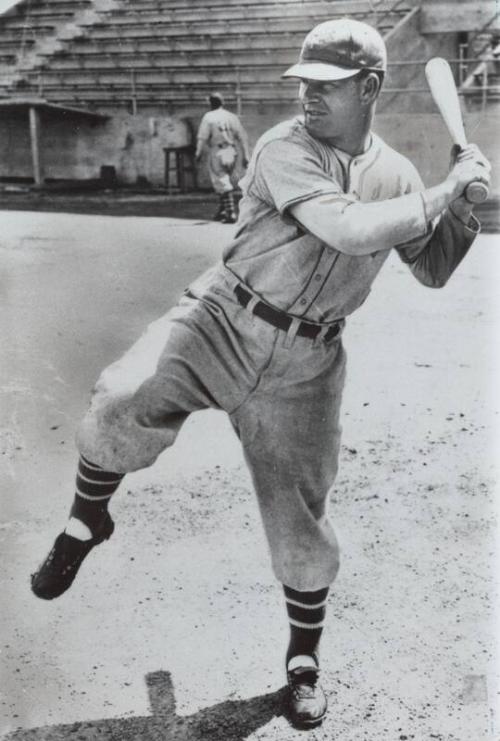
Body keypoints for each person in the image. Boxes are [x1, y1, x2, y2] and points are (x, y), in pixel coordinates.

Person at [31, 18, 491, 730]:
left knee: (303, 525)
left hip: (307, 366)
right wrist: (442, 189)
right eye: (303, 83)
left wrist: (461, 210)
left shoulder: (398, 175)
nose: (307, 97)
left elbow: (430, 268)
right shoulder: (283, 147)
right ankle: (86, 522)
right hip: (220, 321)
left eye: (326, 87)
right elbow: (346, 228)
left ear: (369, 89)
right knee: (121, 400)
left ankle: (302, 663)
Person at [195, 92, 250, 223]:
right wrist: (246, 155)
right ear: (222, 103)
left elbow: (202, 138)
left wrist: (198, 153)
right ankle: (223, 210)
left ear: (211, 103)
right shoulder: (231, 116)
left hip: (218, 150)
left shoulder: (209, 116)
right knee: (225, 179)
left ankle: (231, 212)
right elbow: (242, 137)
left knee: (220, 179)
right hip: (231, 150)